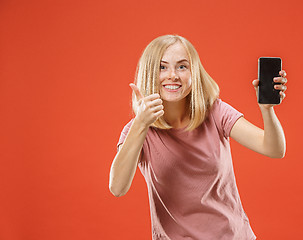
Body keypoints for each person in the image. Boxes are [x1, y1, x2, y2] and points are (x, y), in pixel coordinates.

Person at [109, 34, 287, 240]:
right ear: (149, 73)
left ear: (194, 72)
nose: (173, 75)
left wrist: (267, 110)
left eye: (182, 67)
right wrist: (140, 124)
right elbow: (117, 188)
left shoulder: (215, 112)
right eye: (162, 67)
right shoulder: (137, 130)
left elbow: (274, 149)